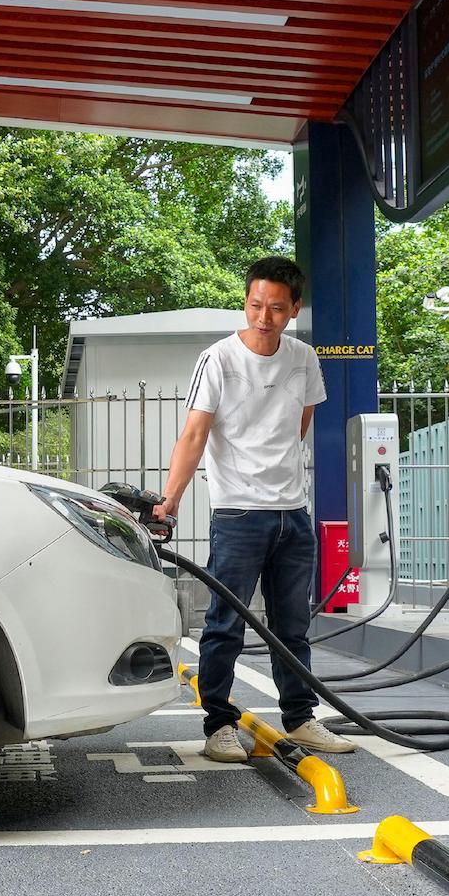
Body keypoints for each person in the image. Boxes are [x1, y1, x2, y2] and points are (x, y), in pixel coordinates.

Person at [154, 256, 356, 765]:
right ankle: (219, 724)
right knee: (226, 623)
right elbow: (195, 434)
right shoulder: (218, 359)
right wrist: (171, 498)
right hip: (239, 514)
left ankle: (301, 718)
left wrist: (279, 475)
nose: (263, 317)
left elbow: (300, 425)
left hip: (293, 513)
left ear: (294, 309)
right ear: (246, 301)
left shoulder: (304, 359)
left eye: (275, 308)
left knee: (292, 624)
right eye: (255, 305)